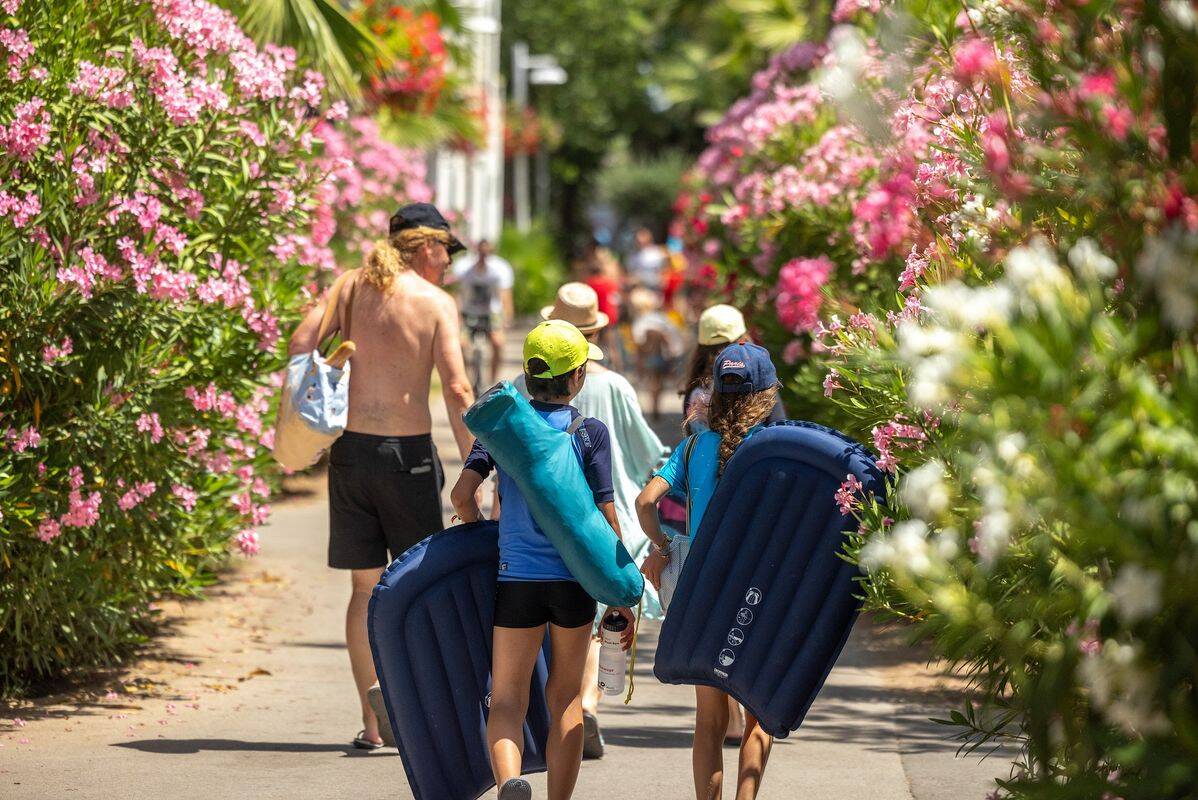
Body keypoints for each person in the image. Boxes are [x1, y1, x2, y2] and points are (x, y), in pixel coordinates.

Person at [286, 202, 475, 750]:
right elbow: (458, 390)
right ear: (426, 247)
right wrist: (475, 470)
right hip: (407, 457)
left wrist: (315, 396)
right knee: (418, 587)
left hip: (350, 452)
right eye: (446, 251)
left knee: (363, 588)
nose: (448, 262)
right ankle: (414, 712)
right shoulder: (435, 303)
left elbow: (300, 343)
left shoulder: (350, 287)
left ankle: (373, 721)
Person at [450, 320, 636, 800]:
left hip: (516, 579)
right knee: (566, 699)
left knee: (506, 700)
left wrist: (480, 531)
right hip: (573, 583)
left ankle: (510, 781)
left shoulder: (502, 430)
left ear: (528, 375)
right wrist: (618, 593)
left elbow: (462, 495)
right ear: (578, 377)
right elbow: (605, 517)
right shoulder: (589, 433)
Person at [515, 283, 667, 759]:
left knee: (536, 627)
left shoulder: (522, 387)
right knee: (601, 612)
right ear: (595, 334)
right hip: (606, 513)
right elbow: (645, 450)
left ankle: (543, 720)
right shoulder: (615, 386)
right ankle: (586, 701)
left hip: (532, 527)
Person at [635, 343, 781, 800]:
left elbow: (645, 502)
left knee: (709, 721)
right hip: (755, 590)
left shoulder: (694, 445)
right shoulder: (773, 451)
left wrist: (662, 548)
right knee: (758, 715)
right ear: (766, 395)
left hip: (700, 592)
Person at [680, 304, 786, 435]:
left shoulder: (694, 391)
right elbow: (779, 427)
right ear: (744, 338)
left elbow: (689, 435)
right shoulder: (758, 380)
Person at [452, 239, 514, 386]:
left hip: (491, 313)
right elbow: (457, 293)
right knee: (461, 344)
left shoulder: (500, 268)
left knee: (498, 343)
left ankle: (492, 382)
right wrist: (456, 317)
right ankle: (466, 379)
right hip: (469, 312)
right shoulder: (463, 268)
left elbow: (505, 295)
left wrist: (507, 318)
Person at [629, 287, 686, 420]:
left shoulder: (641, 321)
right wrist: (673, 353)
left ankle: (654, 407)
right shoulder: (662, 318)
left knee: (652, 383)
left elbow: (639, 343)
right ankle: (656, 406)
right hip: (662, 355)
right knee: (658, 383)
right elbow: (672, 337)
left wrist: (639, 363)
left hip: (649, 356)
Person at [626, 226, 668, 291]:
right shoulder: (633, 256)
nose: (640, 241)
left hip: (653, 288)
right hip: (636, 288)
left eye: (643, 237)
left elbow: (663, 275)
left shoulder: (657, 253)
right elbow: (630, 273)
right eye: (638, 239)